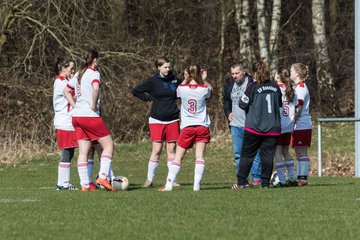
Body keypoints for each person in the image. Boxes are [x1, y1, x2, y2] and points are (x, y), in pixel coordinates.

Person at [64, 49, 116, 192]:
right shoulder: (94, 73)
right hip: (89, 115)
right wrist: (93, 105)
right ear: (95, 60)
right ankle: (103, 176)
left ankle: (85, 185)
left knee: (83, 151)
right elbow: (95, 88)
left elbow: (66, 91)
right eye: (98, 59)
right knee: (109, 146)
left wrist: (75, 106)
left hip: (77, 116)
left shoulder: (78, 74)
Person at [159, 64, 212, 192]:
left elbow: (178, 90)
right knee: (199, 157)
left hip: (187, 127)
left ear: (187, 74)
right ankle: (196, 185)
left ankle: (169, 184)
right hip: (202, 126)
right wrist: (204, 79)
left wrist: (185, 78)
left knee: (178, 157)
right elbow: (210, 91)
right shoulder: (203, 89)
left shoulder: (182, 89)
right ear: (200, 74)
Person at [131, 56, 182, 188]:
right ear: (158, 67)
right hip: (156, 120)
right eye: (165, 67)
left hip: (173, 119)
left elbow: (185, 90)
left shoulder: (176, 80)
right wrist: (149, 98)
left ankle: (172, 179)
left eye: (169, 66)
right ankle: (149, 179)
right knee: (157, 149)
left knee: (171, 149)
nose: (168, 69)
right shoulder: (153, 81)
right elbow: (136, 91)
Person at [233, 61, 282, 190]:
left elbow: (242, 104)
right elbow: (280, 104)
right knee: (267, 157)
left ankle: (241, 183)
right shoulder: (275, 86)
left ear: (254, 72)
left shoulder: (252, 86)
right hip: (273, 128)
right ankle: (265, 184)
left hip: (254, 128)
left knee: (247, 156)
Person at [222, 62, 262, 187]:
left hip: (250, 125)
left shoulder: (253, 83)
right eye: (232, 73)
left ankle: (256, 178)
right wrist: (228, 112)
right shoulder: (229, 83)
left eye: (237, 73)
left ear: (243, 72)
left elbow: (258, 103)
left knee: (254, 153)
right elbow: (225, 100)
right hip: (235, 125)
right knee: (238, 154)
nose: (234, 76)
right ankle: (242, 179)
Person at [52, 57, 78, 190]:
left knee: (70, 151)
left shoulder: (66, 81)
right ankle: (63, 184)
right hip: (64, 122)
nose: (73, 71)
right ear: (63, 69)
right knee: (66, 152)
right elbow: (73, 95)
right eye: (71, 68)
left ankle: (63, 183)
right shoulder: (60, 82)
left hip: (68, 122)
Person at [273, 66, 298, 187]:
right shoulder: (292, 89)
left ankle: (282, 180)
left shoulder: (275, 89)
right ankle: (292, 178)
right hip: (289, 126)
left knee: (277, 152)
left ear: (278, 76)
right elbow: (296, 107)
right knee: (285, 151)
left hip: (279, 125)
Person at [290, 63, 312, 187]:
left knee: (302, 152)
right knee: (298, 152)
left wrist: (292, 121)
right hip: (298, 125)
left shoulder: (301, 88)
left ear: (297, 73)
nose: (290, 73)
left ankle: (303, 179)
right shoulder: (296, 86)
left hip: (302, 124)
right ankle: (300, 178)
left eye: (291, 71)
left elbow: (299, 108)